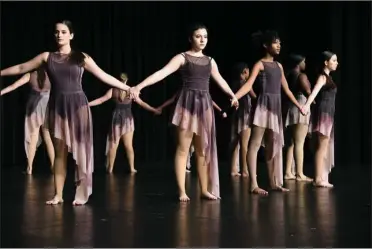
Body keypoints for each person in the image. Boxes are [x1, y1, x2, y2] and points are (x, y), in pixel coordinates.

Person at [1, 20, 131, 205]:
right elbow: (22, 67)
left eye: (63, 32)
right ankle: (58, 195)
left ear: (71, 35)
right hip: (57, 107)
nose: (59, 35)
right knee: (60, 153)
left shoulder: (81, 57)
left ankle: (81, 193)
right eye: (56, 32)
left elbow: (103, 76)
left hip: (78, 107)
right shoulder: (47, 57)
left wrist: (128, 87)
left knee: (81, 150)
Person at [130, 23, 239, 201]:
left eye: (205, 36)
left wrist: (232, 95)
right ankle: (182, 191)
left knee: (202, 150)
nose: (202, 39)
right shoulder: (182, 58)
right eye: (198, 36)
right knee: (183, 149)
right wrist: (139, 86)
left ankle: (204, 189)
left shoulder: (210, 61)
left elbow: (220, 79)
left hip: (204, 105)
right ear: (190, 38)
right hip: (187, 104)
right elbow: (162, 73)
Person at [234, 30, 305, 195]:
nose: (279, 45)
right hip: (263, 106)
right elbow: (248, 84)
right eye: (275, 42)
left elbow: (286, 89)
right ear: (266, 45)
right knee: (255, 144)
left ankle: (273, 183)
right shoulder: (260, 64)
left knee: (273, 145)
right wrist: (235, 96)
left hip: (275, 108)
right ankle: (253, 184)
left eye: (280, 42)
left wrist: (300, 106)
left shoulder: (279, 66)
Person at [89, 72, 161, 174]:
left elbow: (100, 100)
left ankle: (110, 169)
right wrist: (154, 110)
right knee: (128, 146)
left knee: (114, 145)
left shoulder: (113, 90)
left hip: (117, 120)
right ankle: (131, 168)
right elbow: (142, 103)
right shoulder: (131, 91)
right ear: (126, 80)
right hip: (127, 120)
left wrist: (87, 104)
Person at [156, 89, 227, 174]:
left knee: (196, 146)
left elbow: (210, 101)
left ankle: (194, 166)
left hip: (196, 121)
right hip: (184, 120)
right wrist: (160, 107)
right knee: (183, 145)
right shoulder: (182, 92)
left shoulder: (201, 92)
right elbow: (171, 100)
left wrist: (220, 110)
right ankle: (185, 164)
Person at [1, 65, 55, 175]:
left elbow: (14, 86)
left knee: (33, 137)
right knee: (48, 137)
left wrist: (1, 92)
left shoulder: (30, 75)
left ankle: (29, 168)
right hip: (47, 108)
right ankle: (54, 166)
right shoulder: (52, 76)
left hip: (33, 108)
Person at [301, 51, 338, 188]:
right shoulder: (322, 77)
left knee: (324, 146)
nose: (336, 63)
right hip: (323, 114)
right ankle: (317, 179)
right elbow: (314, 92)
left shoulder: (328, 78)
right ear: (326, 62)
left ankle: (322, 177)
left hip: (328, 114)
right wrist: (306, 106)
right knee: (321, 147)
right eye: (334, 60)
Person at [284, 54, 313, 181]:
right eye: (304, 61)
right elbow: (307, 90)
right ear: (299, 63)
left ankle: (288, 172)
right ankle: (299, 173)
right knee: (300, 142)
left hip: (291, 107)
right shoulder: (301, 76)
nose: (305, 64)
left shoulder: (289, 75)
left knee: (291, 142)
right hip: (301, 105)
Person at [228, 62, 257, 177]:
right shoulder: (245, 83)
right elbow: (254, 96)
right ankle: (245, 170)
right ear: (245, 71)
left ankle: (233, 169)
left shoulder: (234, 84)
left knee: (235, 143)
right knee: (245, 144)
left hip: (236, 115)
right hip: (244, 114)